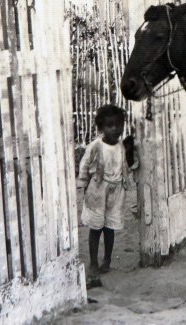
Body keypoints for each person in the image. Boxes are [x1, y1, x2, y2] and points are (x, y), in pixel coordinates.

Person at [77, 104, 133, 287]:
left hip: (116, 192)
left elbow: (127, 165)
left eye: (118, 125)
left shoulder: (122, 146)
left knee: (110, 227)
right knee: (96, 227)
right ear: (101, 128)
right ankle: (93, 263)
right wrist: (83, 184)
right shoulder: (96, 146)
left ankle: (107, 260)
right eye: (110, 126)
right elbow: (84, 164)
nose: (115, 129)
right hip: (98, 191)